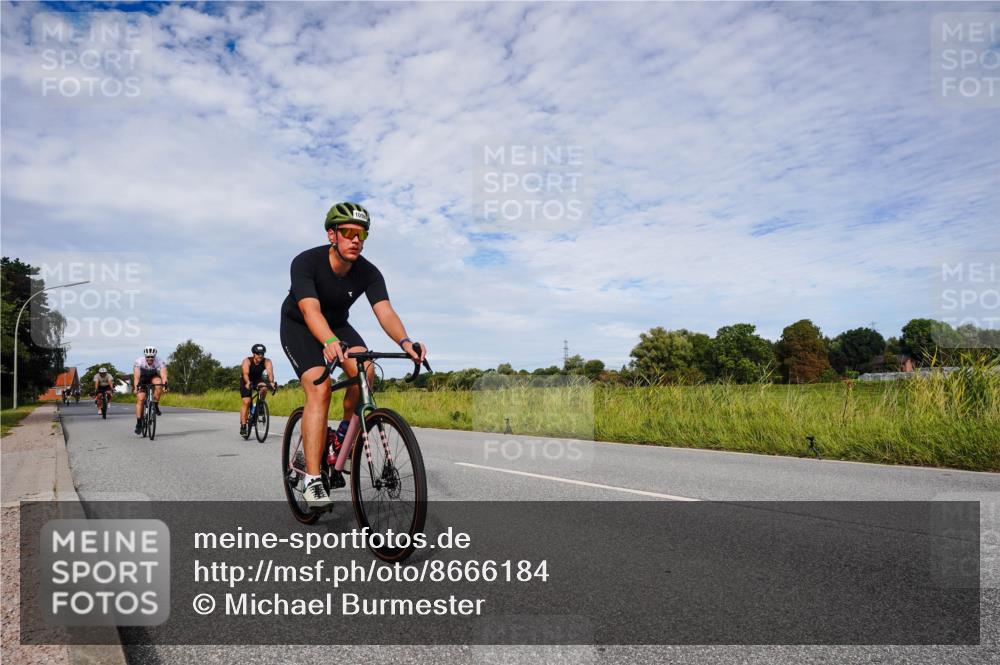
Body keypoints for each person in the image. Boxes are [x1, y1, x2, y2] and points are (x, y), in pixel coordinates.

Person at [280, 202, 426, 511]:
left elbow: (384, 311)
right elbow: (310, 310)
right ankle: (313, 479)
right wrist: (329, 340)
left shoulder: (368, 272)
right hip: (300, 325)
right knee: (319, 389)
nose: (356, 239)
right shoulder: (306, 262)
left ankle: (341, 438)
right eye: (348, 232)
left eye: (362, 234)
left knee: (366, 370)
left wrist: (405, 341)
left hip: (337, 325)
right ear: (332, 234)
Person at [240, 343, 277, 436]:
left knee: (264, 388)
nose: (260, 355)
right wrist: (248, 383)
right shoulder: (247, 361)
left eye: (262, 353)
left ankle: (260, 405)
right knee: (247, 402)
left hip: (257, 380)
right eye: (258, 353)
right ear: (254, 354)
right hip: (246, 380)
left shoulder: (267, 361)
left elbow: (270, 373)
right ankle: (243, 426)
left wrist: (272, 382)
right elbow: (245, 373)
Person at [133, 345, 168, 435]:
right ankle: (139, 423)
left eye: (152, 357)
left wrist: (165, 385)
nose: (150, 359)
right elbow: (136, 376)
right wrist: (136, 387)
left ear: (154, 356)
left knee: (159, 384)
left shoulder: (160, 361)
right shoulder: (139, 361)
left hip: (153, 376)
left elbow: (163, 375)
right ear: (145, 356)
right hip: (142, 378)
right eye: (148, 357)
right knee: (140, 399)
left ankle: (155, 404)